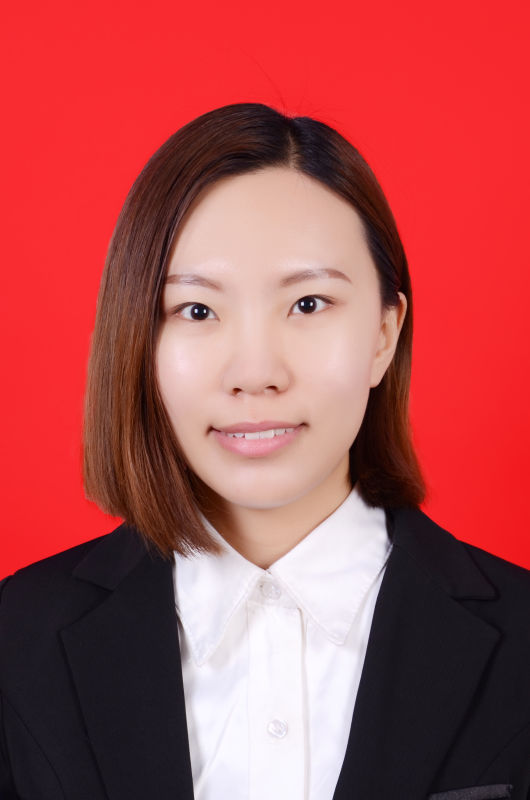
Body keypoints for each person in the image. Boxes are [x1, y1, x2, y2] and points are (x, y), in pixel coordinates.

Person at [0, 102, 529, 800]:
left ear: (384, 334)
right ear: (138, 344)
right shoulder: (18, 641)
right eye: (197, 310)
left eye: (309, 304)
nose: (255, 373)